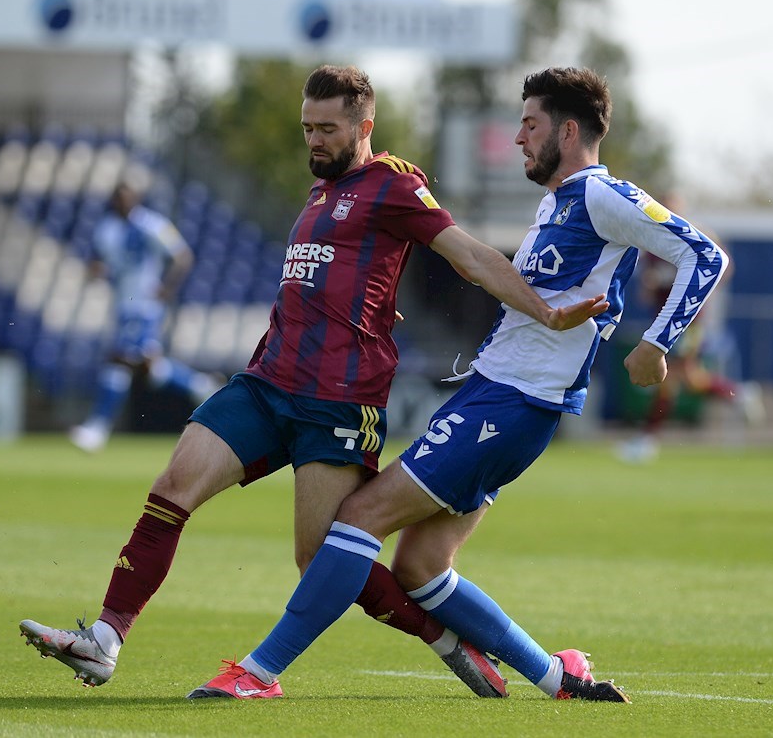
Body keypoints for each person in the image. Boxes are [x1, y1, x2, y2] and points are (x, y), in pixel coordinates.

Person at [20, 65, 608, 696]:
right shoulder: (320, 190)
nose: (315, 141)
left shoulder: (395, 183)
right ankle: (105, 641)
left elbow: (467, 254)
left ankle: (445, 637)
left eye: (328, 128)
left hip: (338, 399)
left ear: (365, 126)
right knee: (171, 488)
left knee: (318, 559)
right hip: (267, 380)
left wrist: (542, 310)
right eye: (308, 128)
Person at [186, 67, 726, 702]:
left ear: (569, 129)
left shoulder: (604, 196)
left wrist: (656, 343)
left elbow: (704, 254)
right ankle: (559, 676)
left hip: (516, 404)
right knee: (418, 567)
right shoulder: (557, 202)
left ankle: (257, 672)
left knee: (360, 516)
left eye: (530, 124)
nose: (519, 138)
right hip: (492, 394)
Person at [69, 183, 222, 453]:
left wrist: (166, 288)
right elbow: (105, 264)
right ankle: (203, 386)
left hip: (145, 307)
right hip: (122, 306)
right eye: (118, 198)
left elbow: (182, 256)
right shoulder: (107, 229)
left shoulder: (151, 224)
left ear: (136, 199)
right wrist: (97, 271)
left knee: (119, 361)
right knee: (150, 366)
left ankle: (98, 427)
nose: (123, 202)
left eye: (128, 197)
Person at [617, 194, 762, 464]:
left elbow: (722, 268)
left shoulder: (695, 235)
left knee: (671, 379)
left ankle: (646, 440)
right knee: (690, 380)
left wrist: (698, 290)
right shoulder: (652, 246)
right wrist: (651, 285)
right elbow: (646, 294)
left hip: (689, 321)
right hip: (662, 320)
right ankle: (737, 393)